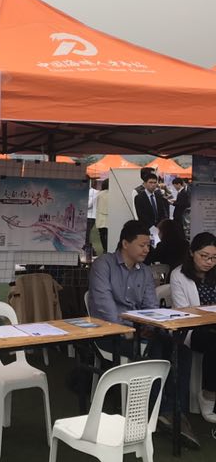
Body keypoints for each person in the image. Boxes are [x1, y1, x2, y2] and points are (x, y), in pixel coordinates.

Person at [88, 219, 198, 448]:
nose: (147, 249)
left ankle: (175, 411)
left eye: (148, 245)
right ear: (125, 244)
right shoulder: (103, 265)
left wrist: (151, 326)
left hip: (141, 330)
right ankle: (162, 411)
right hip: (109, 333)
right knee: (155, 351)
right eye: (142, 245)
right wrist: (130, 329)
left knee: (181, 350)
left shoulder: (145, 271)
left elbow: (151, 306)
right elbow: (104, 307)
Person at [170, 233, 216, 423]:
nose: (209, 262)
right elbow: (184, 311)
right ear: (191, 253)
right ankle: (209, 395)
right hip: (192, 329)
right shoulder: (179, 275)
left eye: (214, 258)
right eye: (204, 256)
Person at [95, 178, 109, 252]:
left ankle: (104, 249)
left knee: (102, 235)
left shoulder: (99, 194)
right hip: (110, 218)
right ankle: (108, 249)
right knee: (109, 235)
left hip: (100, 218)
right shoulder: (113, 194)